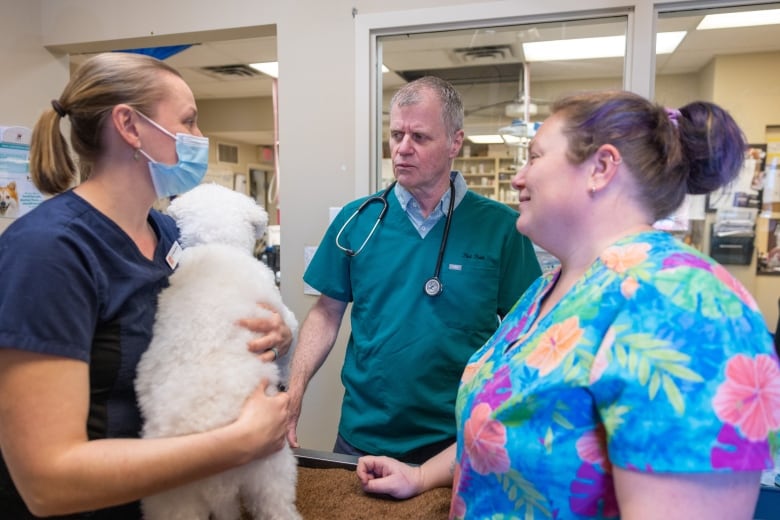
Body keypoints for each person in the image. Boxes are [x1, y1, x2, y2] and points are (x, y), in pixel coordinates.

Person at [357, 90, 780, 518]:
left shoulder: (690, 307)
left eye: (535, 157)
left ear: (601, 168)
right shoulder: (548, 290)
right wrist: (422, 475)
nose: (518, 178)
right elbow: (512, 423)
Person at [0, 52, 293, 519]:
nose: (200, 139)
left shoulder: (167, 234)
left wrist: (273, 334)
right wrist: (239, 442)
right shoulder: (48, 253)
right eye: (189, 122)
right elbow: (47, 480)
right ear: (130, 127)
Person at [286, 76, 542, 464]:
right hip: (365, 436)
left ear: (455, 142)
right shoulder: (357, 221)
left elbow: (527, 330)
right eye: (396, 135)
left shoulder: (501, 228)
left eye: (419, 137)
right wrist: (295, 390)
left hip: (459, 439)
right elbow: (326, 312)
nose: (402, 149)